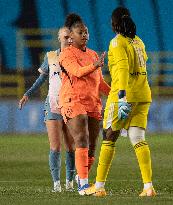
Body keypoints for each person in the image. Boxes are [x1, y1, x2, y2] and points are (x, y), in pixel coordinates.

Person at [84, 7, 156, 197]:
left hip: (124, 97)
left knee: (109, 136)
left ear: (114, 23)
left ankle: (99, 187)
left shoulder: (117, 43)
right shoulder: (138, 41)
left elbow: (123, 69)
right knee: (138, 138)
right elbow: (143, 65)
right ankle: (148, 187)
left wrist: (122, 98)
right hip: (143, 95)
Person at [18, 27, 75, 192]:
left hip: (70, 104)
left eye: (71, 37)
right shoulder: (51, 56)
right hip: (53, 103)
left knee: (71, 147)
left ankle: (69, 182)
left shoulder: (76, 56)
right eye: (66, 37)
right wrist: (27, 94)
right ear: (59, 38)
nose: (69, 40)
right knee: (55, 146)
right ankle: (57, 184)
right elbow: (42, 78)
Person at [59, 13, 110, 195]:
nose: (85, 35)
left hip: (93, 103)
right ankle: (83, 185)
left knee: (93, 145)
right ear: (71, 36)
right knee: (82, 138)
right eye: (80, 32)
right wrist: (95, 66)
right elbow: (77, 72)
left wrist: (116, 95)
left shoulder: (93, 54)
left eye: (86, 32)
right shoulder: (66, 54)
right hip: (72, 100)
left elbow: (100, 83)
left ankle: (82, 179)